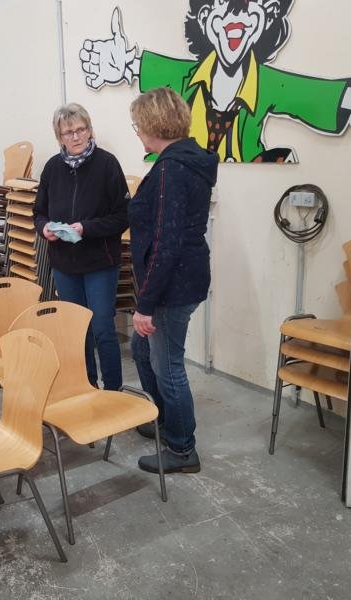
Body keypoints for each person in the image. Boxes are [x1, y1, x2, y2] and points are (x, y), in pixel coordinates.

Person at [128, 87, 218, 474]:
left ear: (152, 125)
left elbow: (166, 243)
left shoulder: (170, 169)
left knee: (168, 366)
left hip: (172, 286)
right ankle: (164, 419)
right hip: (185, 277)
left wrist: (145, 305)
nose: (137, 132)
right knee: (141, 349)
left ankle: (182, 449)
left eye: (137, 125)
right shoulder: (187, 160)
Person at [34, 103, 129, 390]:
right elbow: (39, 211)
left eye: (81, 129)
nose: (75, 137)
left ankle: (113, 391)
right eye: (68, 132)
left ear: (89, 130)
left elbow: (123, 216)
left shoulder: (107, 164)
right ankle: (86, 386)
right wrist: (44, 228)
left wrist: (86, 228)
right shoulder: (52, 168)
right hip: (65, 264)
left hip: (100, 262)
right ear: (59, 136)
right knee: (77, 330)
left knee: (102, 329)